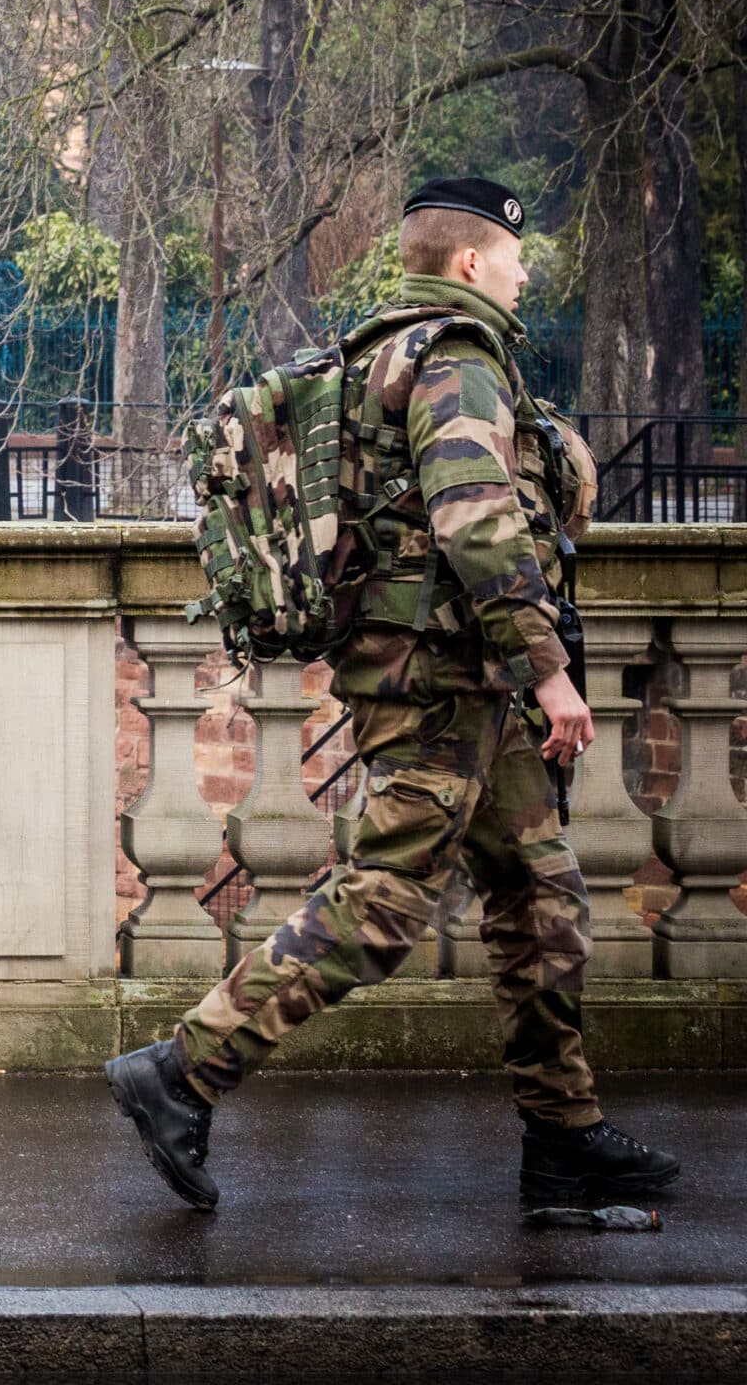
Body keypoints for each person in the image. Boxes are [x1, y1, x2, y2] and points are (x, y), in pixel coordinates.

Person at [107, 178, 678, 1211]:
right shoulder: (455, 360)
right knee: (387, 897)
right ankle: (185, 1067)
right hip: (441, 682)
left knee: (541, 891)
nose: (523, 267)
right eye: (513, 251)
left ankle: (564, 1137)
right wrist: (549, 673)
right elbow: (476, 524)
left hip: (454, 676)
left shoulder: (383, 355)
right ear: (468, 263)